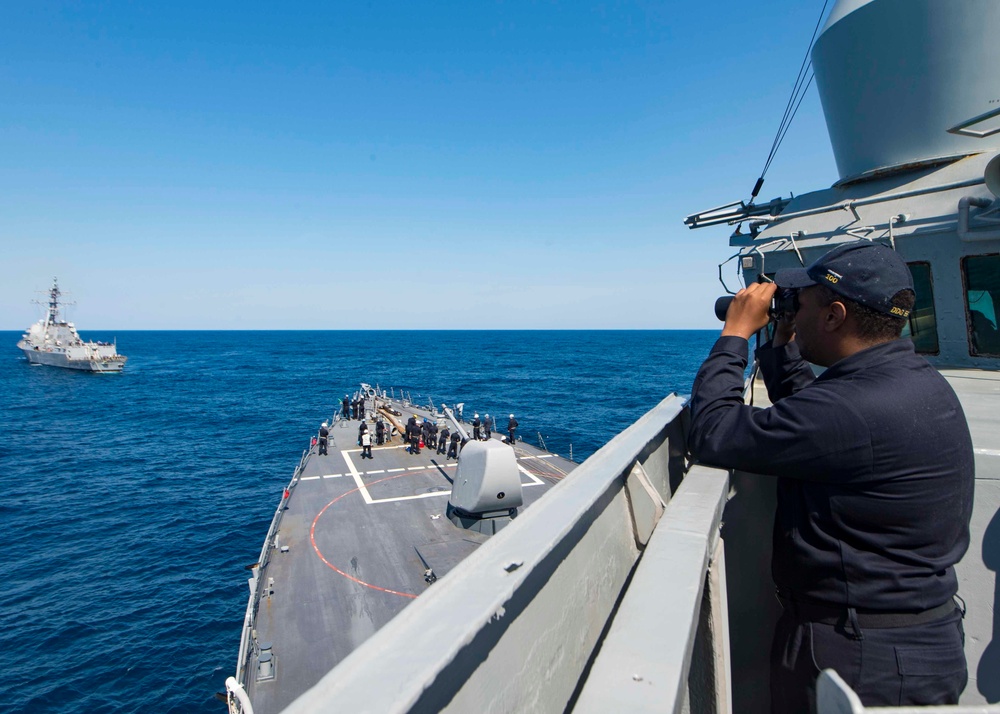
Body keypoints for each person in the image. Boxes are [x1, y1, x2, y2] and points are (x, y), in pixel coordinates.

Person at [687, 241, 974, 712]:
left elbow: (714, 432)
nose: (793, 313)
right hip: (911, 640)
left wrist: (735, 334)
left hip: (862, 656)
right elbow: (815, 416)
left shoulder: (852, 407)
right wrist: (782, 346)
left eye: (802, 304)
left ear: (835, 315)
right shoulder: (909, 381)